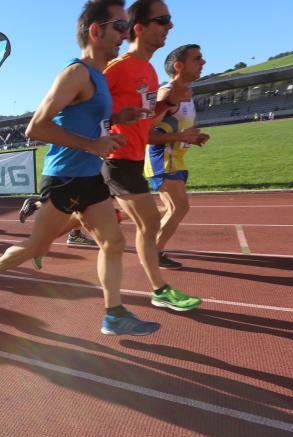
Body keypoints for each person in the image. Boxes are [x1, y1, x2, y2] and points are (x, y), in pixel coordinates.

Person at [0, 0, 159, 336]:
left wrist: (116, 119)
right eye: (118, 26)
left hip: (90, 176)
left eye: (125, 26)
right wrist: (92, 145)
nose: (125, 33)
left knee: (114, 243)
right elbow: (36, 128)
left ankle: (114, 314)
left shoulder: (100, 77)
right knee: (37, 248)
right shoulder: (75, 74)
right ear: (95, 30)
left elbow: (85, 118)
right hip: (63, 178)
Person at [102, 0, 201, 311]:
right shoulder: (117, 68)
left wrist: (164, 107)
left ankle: (41, 228)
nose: (170, 26)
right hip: (115, 158)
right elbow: (87, 110)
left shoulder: (146, 70)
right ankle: (155, 290)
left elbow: (146, 121)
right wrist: (112, 124)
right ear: (139, 28)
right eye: (163, 20)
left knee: (127, 227)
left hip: (133, 157)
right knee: (147, 222)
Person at [145, 44, 209, 269]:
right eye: (198, 59)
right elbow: (146, 133)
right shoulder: (167, 93)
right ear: (179, 66)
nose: (203, 63)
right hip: (161, 160)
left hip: (177, 159)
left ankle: (150, 247)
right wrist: (182, 135)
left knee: (170, 209)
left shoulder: (187, 93)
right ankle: (152, 253)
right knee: (179, 207)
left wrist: (193, 136)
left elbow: (174, 128)